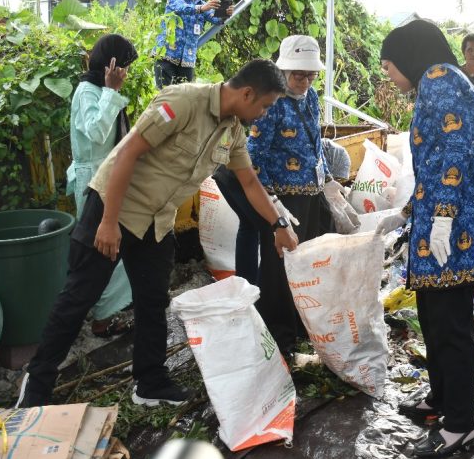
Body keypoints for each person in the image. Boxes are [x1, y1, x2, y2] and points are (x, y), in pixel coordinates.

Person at [17, 59, 299, 408]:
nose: (265, 113)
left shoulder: (233, 131)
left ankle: (150, 382)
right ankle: (38, 382)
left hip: (157, 221)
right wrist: (108, 221)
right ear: (247, 93)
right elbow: (128, 153)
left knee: (152, 302)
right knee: (79, 297)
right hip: (115, 207)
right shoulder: (183, 101)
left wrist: (279, 224)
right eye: (265, 105)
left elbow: (249, 182)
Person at [375, 20, 474, 458]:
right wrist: (405, 212)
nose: (389, 75)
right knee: (431, 312)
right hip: (440, 219)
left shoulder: (441, 80)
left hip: (459, 226)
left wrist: (443, 217)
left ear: (408, 56)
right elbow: (433, 162)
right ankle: (442, 399)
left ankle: (462, 422)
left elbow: (455, 154)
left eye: (389, 66)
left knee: (451, 323)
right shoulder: (435, 82)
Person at [215, 35, 337, 358]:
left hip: (310, 191)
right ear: (284, 71)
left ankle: (300, 325)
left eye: (311, 75)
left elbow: (315, 142)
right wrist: (273, 201)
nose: (305, 81)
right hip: (283, 195)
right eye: (299, 75)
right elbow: (254, 156)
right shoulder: (272, 104)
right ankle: (279, 336)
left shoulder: (310, 98)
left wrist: (327, 179)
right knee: (279, 265)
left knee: (305, 261)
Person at [67, 34, 137, 338]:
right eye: (122, 66)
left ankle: (107, 312)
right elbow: (96, 132)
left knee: (114, 248)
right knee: (102, 250)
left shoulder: (100, 89)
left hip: (108, 175)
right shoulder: (87, 91)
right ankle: (101, 318)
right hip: (93, 178)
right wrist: (111, 92)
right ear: (109, 64)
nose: (125, 73)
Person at [153, 0, 234, 88]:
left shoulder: (203, 4)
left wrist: (225, 14)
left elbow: (216, 20)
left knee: (185, 101)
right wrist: (201, 8)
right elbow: (181, 8)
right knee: (165, 99)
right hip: (166, 58)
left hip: (187, 62)